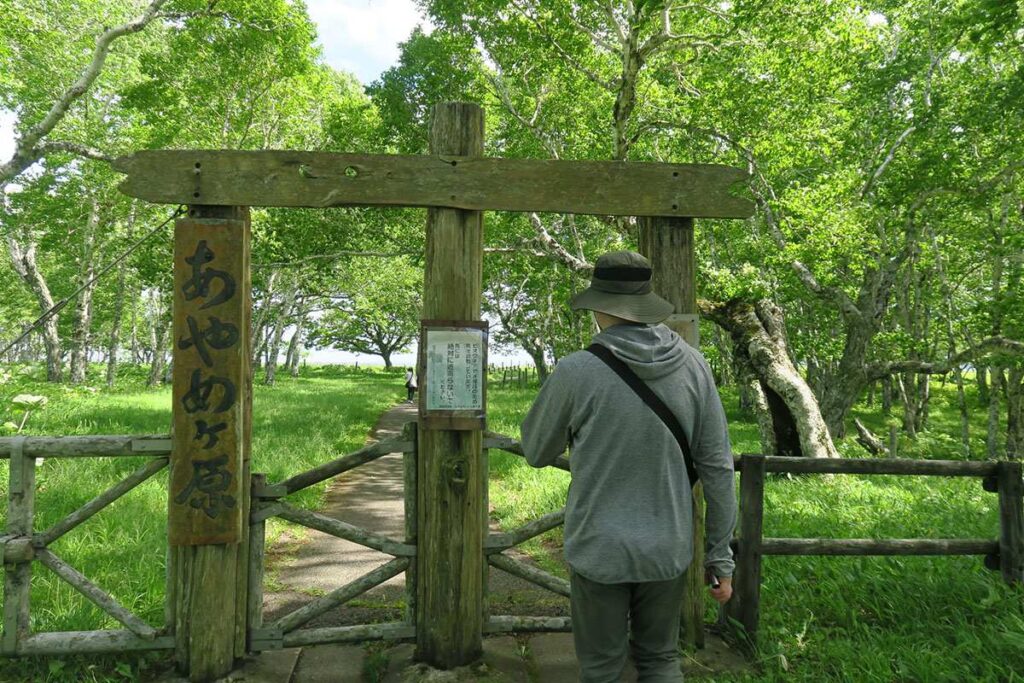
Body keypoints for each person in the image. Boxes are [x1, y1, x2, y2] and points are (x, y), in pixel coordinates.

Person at [520, 250, 737, 683]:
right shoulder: (695, 367)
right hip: (667, 548)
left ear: (600, 306)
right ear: (645, 301)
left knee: (601, 667)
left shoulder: (577, 370)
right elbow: (717, 467)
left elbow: (536, 451)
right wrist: (720, 558)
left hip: (599, 547)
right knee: (660, 660)